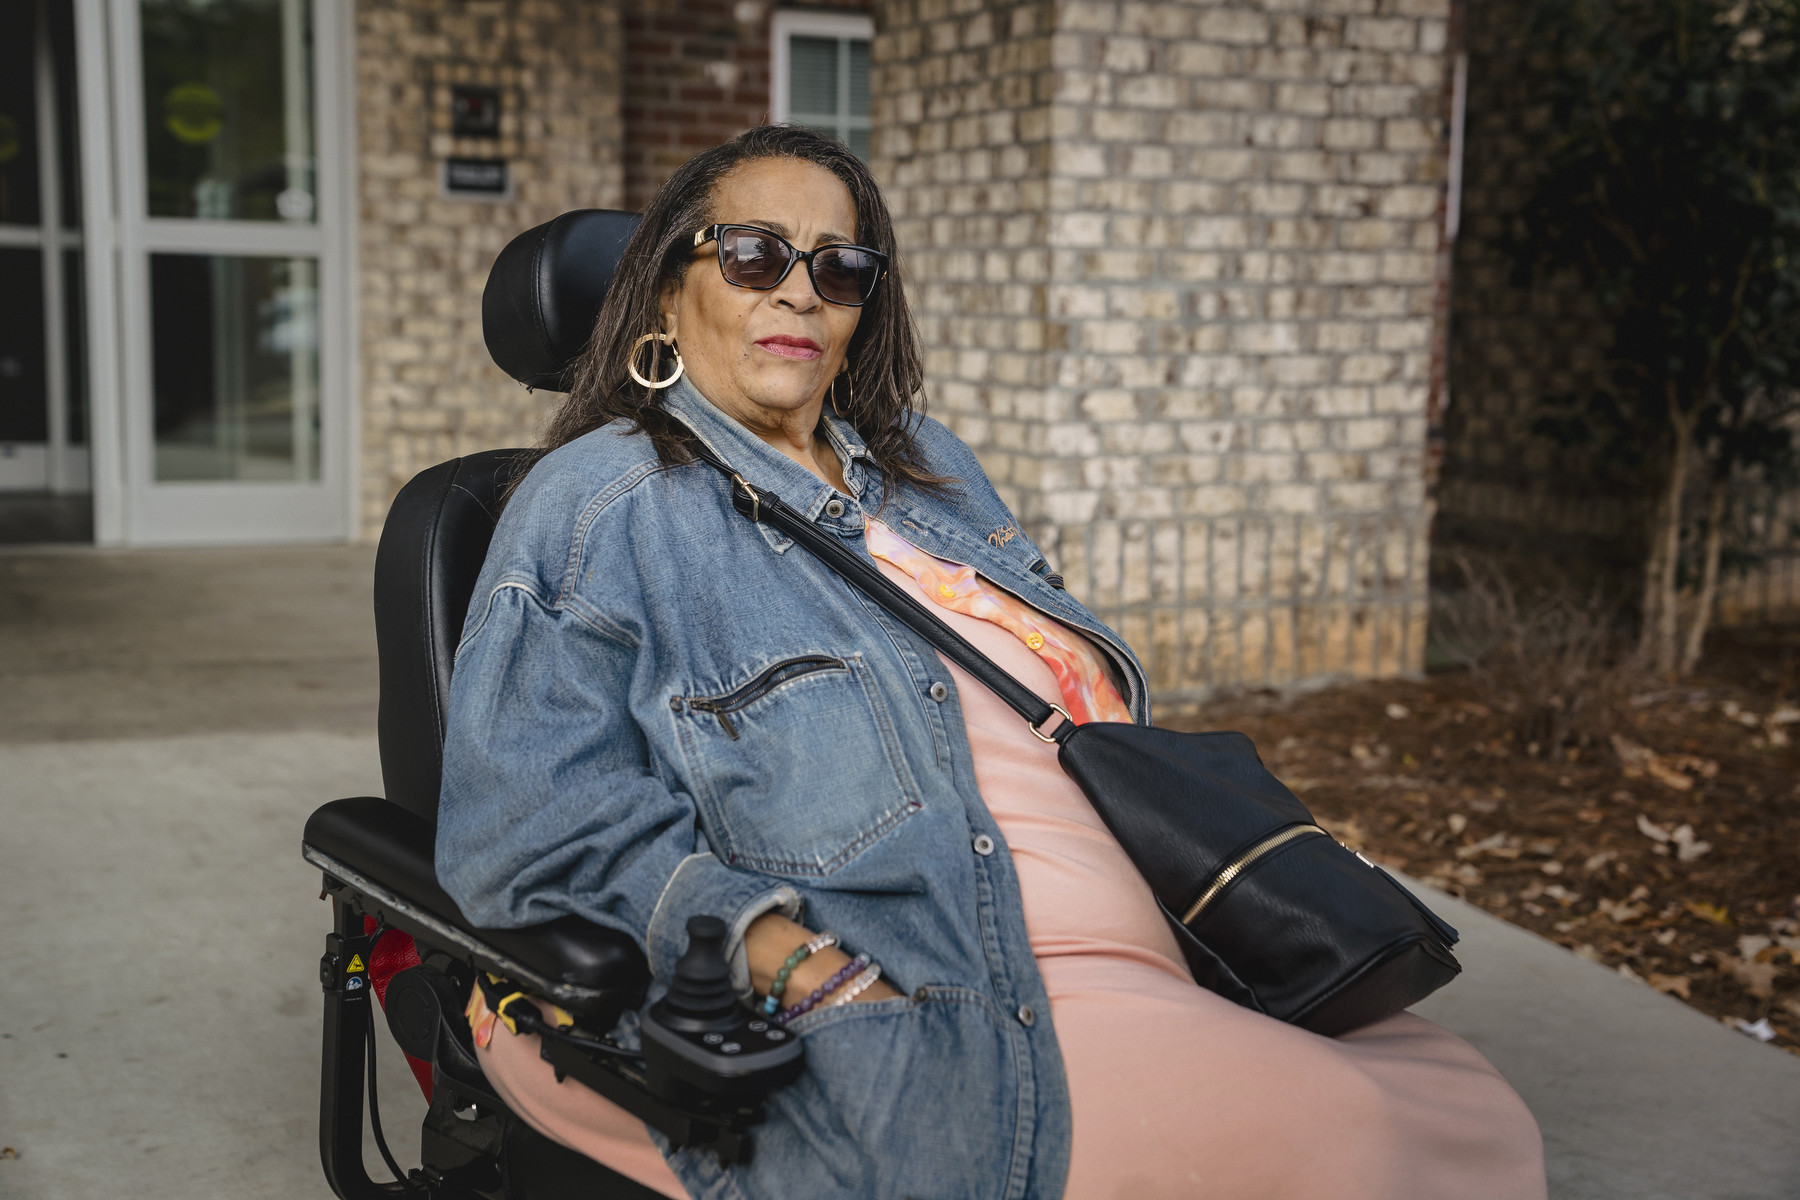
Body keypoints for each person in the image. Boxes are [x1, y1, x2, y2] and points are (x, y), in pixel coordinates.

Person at [435, 125, 1547, 1200]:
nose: (799, 291)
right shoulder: (604, 499)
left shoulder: (932, 472)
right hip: (924, 983)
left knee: (1468, 1113)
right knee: (1345, 1136)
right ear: (670, 288)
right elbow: (529, 823)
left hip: (1149, 947)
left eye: (840, 266)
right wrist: (779, 957)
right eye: (753, 254)